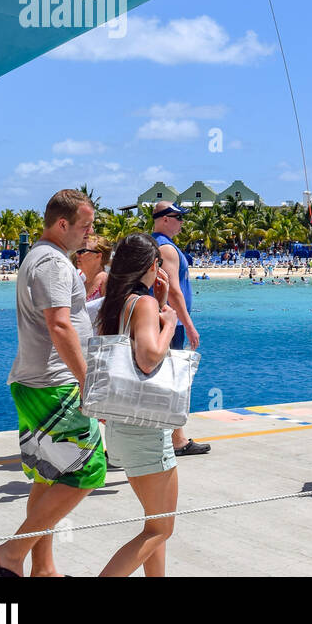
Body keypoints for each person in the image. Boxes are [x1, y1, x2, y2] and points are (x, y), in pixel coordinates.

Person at [0, 189, 104, 577]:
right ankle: (12, 555)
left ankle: (44, 569)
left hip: (37, 381)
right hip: (55, 384)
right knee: (89, 470)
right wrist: (87, 382)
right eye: (85, 226)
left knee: (50, 473)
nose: (90, 235)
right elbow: (59, 323)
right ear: (62, 223)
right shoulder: (51, 262)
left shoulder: (43, 257)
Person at [95, 234, 181, 576]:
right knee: (161, 529)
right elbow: (148, 358)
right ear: (151, 266)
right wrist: (170, 324)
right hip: (146, 430)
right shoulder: (141, 305)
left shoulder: (115, 304)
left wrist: (157, 302)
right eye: (158, 262)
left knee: (153, 524)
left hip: (121, 427)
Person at [152, 203, 208, 456]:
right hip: (170, 323)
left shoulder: (153, 244)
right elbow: (173, 290)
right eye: (178, 218)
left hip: (160, 320)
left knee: (165, 379)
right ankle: (177, 440)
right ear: (164, 220)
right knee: (174, 381)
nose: (182, 223)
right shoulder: (167, 249)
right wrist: (189, 324)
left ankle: (176, 437)